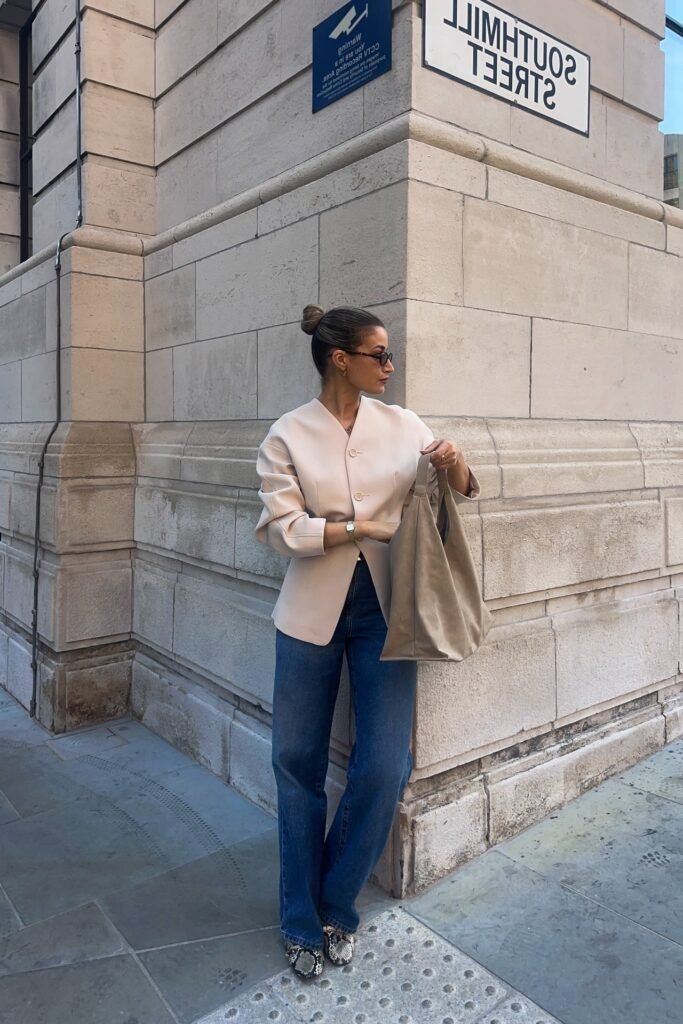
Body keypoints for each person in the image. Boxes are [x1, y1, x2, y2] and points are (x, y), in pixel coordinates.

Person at [254, 304, 480, 980]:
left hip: (389, 611)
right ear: (338, 359)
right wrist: (356, 529)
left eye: (390, 355)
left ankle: (334, 904)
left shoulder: (402, 424)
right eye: (379, 355)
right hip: (308, 614)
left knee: (384, 766)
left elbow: (462, 492)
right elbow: (279, 528)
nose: (390, 366)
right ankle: (299, 918)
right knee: (296, 765)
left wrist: (454, 459)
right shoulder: (287, 434)